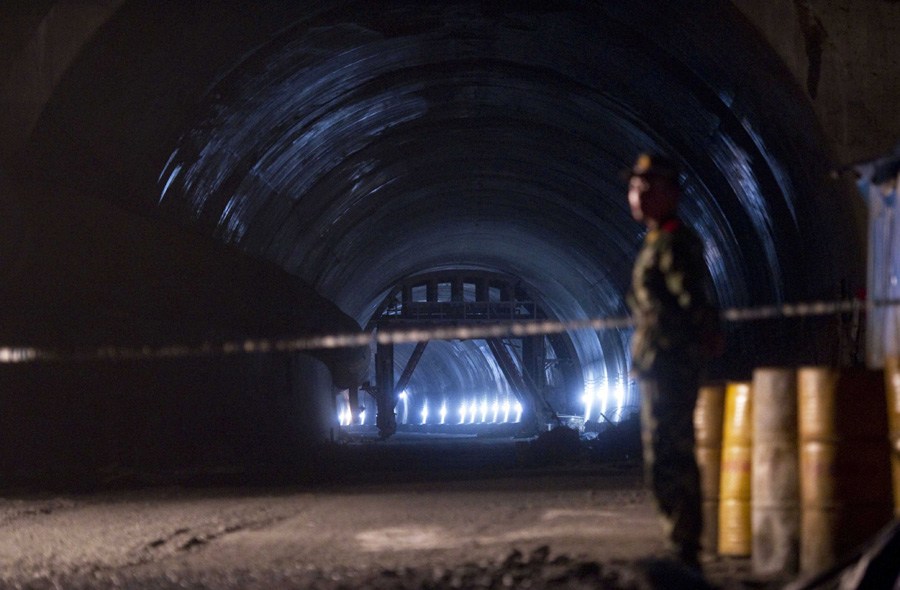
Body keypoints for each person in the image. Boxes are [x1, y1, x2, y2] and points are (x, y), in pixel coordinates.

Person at [625, 152, 722, 570]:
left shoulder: (676, 241)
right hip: (658, 361)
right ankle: (680, 544)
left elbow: (695, 302)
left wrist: (698, 340)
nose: (638, 196)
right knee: (662, 454)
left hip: (671, 362)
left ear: (672, 193)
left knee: (672, 454)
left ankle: (685, 549)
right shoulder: (655, 240)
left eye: (648, 188)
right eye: (634, 187)